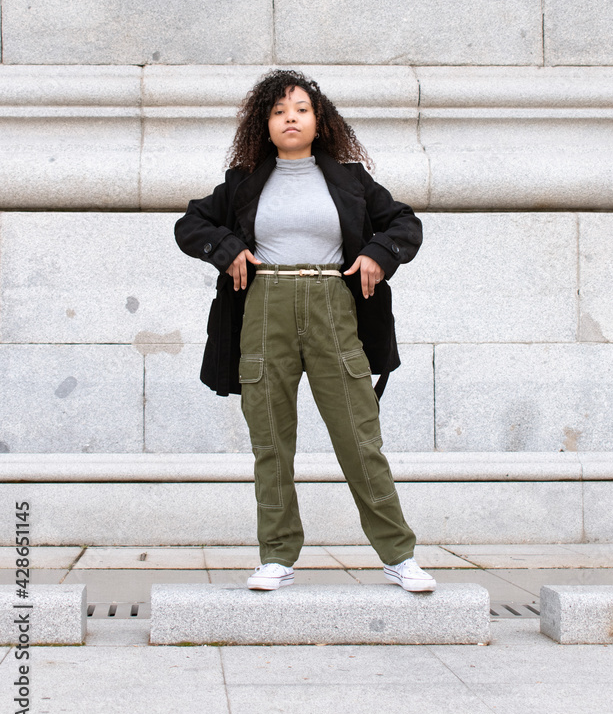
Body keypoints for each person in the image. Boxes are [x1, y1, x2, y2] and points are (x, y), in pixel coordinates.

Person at [174, 69, 435, 593]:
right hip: (264, 308)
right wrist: (226, 251)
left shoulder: (350, 179)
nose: (289, 118)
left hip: (332, 307)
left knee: (359, 436)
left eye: (300, 110)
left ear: (319, 121)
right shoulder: (244, 182)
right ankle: (276, 555)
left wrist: (379, 255)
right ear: (263, 126)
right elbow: (191, 226)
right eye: (278, 111)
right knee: (270, 440)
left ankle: (399, 555)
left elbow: (404, 223)